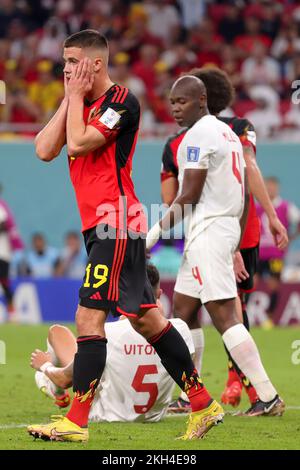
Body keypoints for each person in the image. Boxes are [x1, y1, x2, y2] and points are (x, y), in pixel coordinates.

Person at [28, 29, 223, 443]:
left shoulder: (122, 102)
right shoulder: (79, 102)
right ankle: (203, 403)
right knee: (146, 319)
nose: (65, 69)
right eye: (63, 61)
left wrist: (76, 101)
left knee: (88, 316)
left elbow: (78, 144)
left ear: (95, 64)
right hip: (106, 225)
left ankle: (76, 422)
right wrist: (70, 97)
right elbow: (44, 149)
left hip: (114, 222)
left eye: (72, 61)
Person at [147, 74, 285, 421]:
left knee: (224, 314)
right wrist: (235, 241)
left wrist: (148, 238)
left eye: (183, 101)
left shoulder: (199, 135)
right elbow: (241, 196)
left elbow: (187, 196)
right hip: (215, 231)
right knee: (183, 308)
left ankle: (267, 395)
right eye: (173, 102)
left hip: (209, 232)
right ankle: (192, 393)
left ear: (203, 99)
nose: (176, 108)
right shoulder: (228, 134)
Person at [31, 264, 195, 423]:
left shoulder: (107, 333)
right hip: (153, 416)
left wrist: (44, 365)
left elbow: (66, 380)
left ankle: (54, 388)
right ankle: (56, 389)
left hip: (105, 416)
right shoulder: (180, 330)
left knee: (56, 333)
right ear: (159, 295)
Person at [256, 177, 300, 329]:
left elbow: (298, 220)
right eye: (267, 187)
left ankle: (270, 318)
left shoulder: (286, 207)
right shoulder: (257, 206)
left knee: (274, 285)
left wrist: (291, 238)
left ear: (277, 189)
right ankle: (243, 316)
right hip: (258, 253)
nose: (270, 190)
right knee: (250, 283)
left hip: (276, 255)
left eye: (273, 187)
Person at [0, 185, 23, 320]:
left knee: (4, 282)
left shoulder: (1, 207)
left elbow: (3, 225)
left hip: (2, 252)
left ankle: (13, 312)